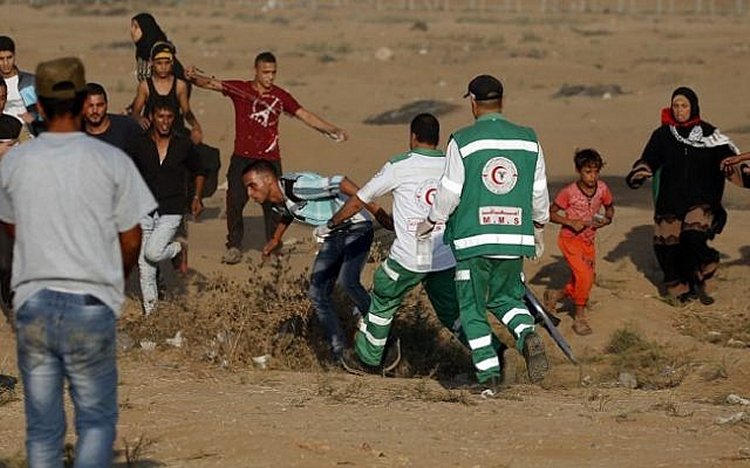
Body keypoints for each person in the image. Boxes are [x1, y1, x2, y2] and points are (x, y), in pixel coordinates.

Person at [0, 57, 156, 467]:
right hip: (90, 301)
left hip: (33, 302)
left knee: (43, 425)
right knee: (96, 420)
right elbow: (132, 235)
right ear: (83, 99)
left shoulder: (17, 161)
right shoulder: (110, 161)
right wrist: (115, 278)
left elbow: (10, 226)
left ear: (42, 105)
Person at [327, 113, 506, 375]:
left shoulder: (399, 166)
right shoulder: (454, 165)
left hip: (410, 255)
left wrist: (332, 223)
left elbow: (359, 198)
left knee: (384, 297)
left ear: (412, 137)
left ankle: (369, 359)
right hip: (445, 255)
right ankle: (493, 351)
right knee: (452, 312)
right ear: (438, 139)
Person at [417, 74, 550, 390]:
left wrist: (432, 219)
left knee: (472, 309)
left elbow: (449, 192)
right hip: (515, 238)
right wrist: (539, 227)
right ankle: (526, 333)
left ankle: (488, 377)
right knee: (507, 298)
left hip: (474, 240)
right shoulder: (529, 139)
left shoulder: (462, 140)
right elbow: (539, 192)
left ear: (473, 103)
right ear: (502, 101)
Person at [186, 52, 348, 264]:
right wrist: (192, 77)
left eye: (273, 73)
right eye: (266, 72)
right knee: (235, 200)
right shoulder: (241, 89)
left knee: (275, 205)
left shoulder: (280, 96)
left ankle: (273, 247)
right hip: (243, 157)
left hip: (269, 159)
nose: (270, 77)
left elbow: (304, 114)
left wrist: (331, 129)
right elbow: (211, 83)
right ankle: (234, 245)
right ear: (256, 70)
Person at [242, 160, 385, 360]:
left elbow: (341, 182)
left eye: (252, 186)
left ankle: (381, 331)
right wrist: (276, 238)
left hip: (355, 224)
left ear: (267, 179)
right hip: (333, 232)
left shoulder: (298, 187)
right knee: (317, 293)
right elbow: (289, 212)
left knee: (348, 281)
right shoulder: (275, 200)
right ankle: (340, 352)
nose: (250, 194)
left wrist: (377, 211)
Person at [626, 86, 740, 305]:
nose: (679, 110)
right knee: (667, 246)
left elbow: (731, 161)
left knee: (693, 236)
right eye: (676, 106)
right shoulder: (662, 135)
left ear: (693, 107)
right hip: (670, 200)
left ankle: (707, 262)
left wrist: (740, 169)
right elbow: (649, 159)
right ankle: (681, 287)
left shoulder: (710, 134)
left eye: (684, 106)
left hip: (701, 198)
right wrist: (641, 172)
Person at [126, 98, 206, 316]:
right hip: (144, 209)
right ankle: (151, 316)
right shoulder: (138, 143)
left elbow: (199, 170)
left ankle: (178, 248)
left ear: (174, 119)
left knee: (152, 253)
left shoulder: (183, 144)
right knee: (145, 267)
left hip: (172, 208)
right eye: (160, 116)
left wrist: (197, 197)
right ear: (152, 117)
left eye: (169, 117)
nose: (165, 122)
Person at [544, 148, 614, 336]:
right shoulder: (569, 192)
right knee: (584, 276)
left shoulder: (602, 189)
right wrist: (570, 222)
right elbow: (550, 213)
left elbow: (609, 208)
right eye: (587, 172)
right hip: (570, 240)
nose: (592, 177)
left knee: (586, 278)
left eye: (595, 172)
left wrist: (607, 219)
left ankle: (556, 295)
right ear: (578, 170)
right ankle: (579, 317)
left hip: (588, 241)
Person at [131, 42, 202, 145]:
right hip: (151, 134)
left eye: (167, 63)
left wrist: (196, 126)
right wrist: (139, 119)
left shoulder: (180, 86)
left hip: (174, 132)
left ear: (172, 63)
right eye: (159, 63)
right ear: (152, 63)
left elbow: (186, 111)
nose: (163, 67)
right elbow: (136, 111)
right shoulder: (145, 86)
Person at [83, 82, 142, 150]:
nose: (95, 110)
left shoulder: (128, 128)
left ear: (106, 105)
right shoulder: (75, 131)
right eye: (90, 106)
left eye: (100, 105)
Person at [0, 36, 37, 141]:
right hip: (4, 138)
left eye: (9, 57)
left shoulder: (30, 82)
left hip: (29, 137)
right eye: (1, 59)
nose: (6, 63)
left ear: (15, 56)